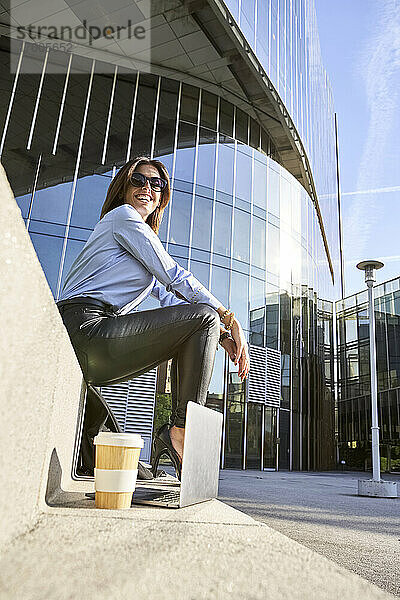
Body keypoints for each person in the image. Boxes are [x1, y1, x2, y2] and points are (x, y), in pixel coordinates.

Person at [57, 156, 250, 479]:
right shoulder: (123, 217)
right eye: (139, 180)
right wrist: (227, 319)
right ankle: (179, 432)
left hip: (92, 337)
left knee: (117, 464)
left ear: (162, 196)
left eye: (156, 184)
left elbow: (168, 293)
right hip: (83, 328)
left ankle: (167, 445)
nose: (148, 188)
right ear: (123, 189)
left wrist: (219, 335)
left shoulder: (139, 243)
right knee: (203, 318)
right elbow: (175, 276)